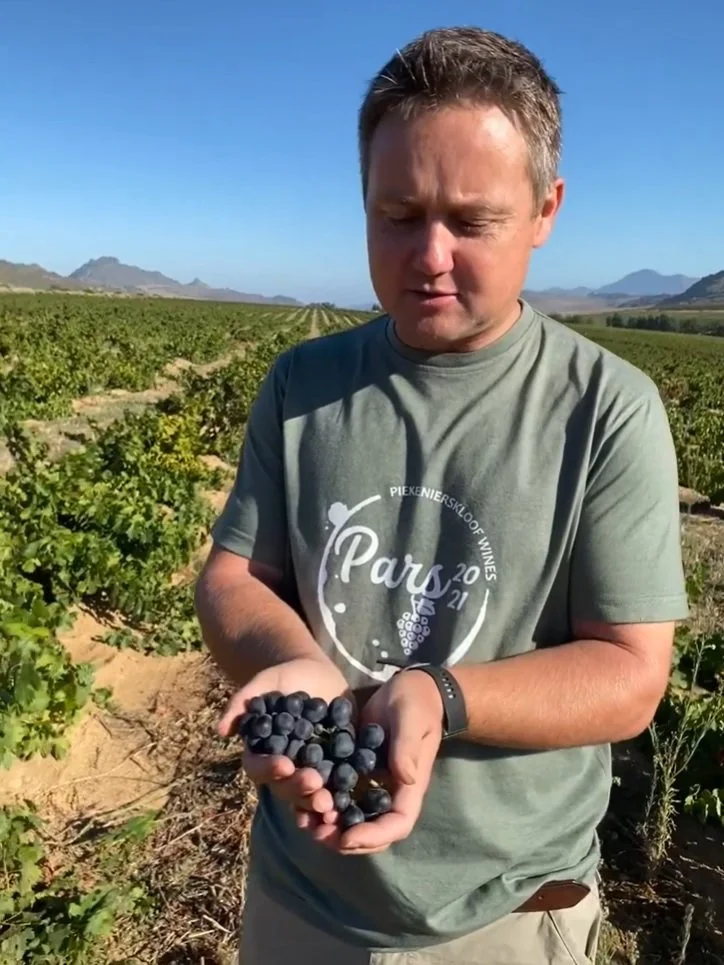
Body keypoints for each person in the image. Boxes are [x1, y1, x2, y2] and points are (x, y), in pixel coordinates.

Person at [194, 24, 689, 965]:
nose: (428, 252)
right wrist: (299, 663)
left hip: (504, 916)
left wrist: (440, 694)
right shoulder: (304, 384)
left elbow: (630, 675)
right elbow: (233, 578)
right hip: (302, 896)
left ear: (545, 209)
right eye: (398, 213)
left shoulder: (609, 410)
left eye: (471, 220)